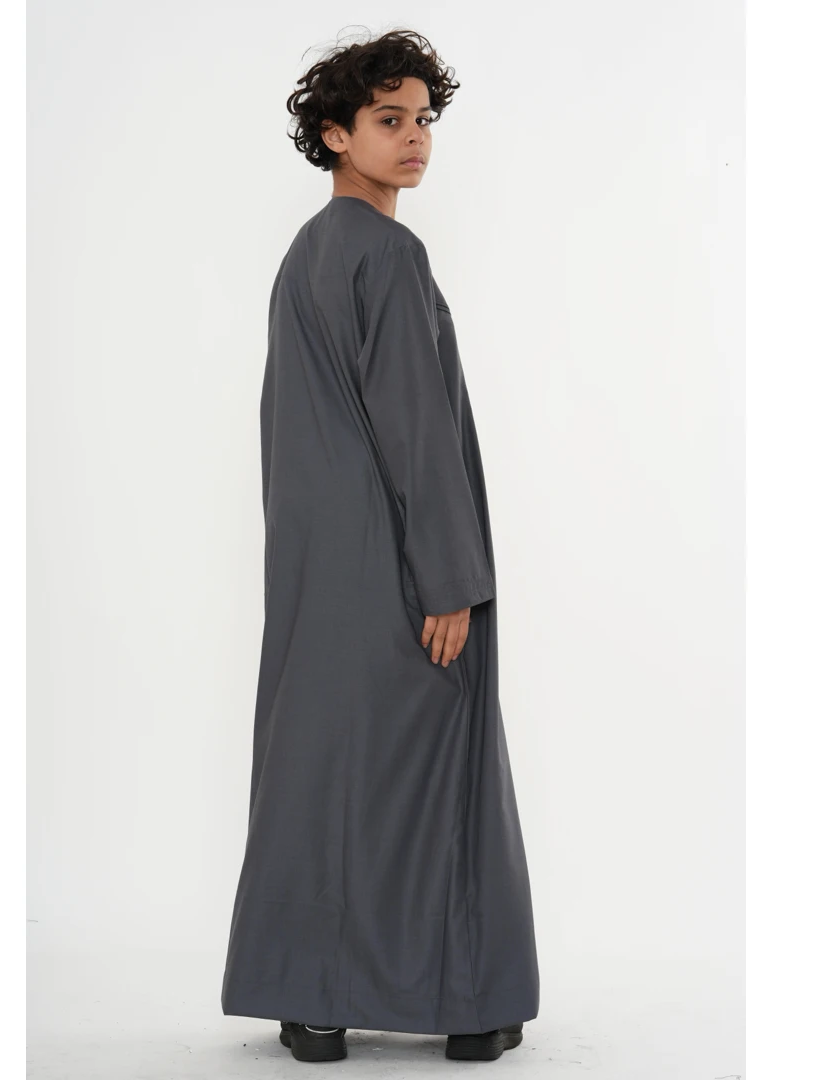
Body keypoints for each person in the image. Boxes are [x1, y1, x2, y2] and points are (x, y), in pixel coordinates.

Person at [220, 28, 539, 1063]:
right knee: (440, 771)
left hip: (318, 574)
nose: (414, 139)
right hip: (401, 569)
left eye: (424, 120)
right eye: (389, 119)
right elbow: (417, 430)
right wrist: (449, 580)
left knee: (322, 773)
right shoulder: (389, 257)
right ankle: (471, 1006)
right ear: (334, 134)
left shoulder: (304, 257)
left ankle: (312, 1006)